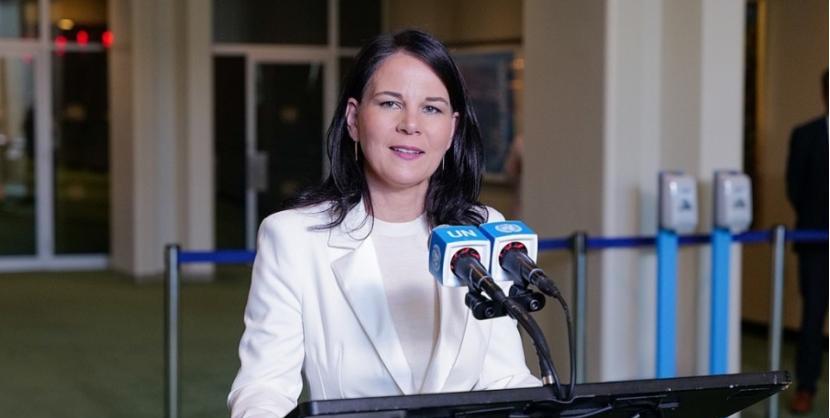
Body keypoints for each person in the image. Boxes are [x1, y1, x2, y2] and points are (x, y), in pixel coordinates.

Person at [228, 30, 540, 418]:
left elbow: (505, 379)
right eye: (391, 103)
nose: (411, 125)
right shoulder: (293, 237)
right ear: (354, 119)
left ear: (452, 129)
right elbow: (264, 387)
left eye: (431, 109)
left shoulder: (485, 230)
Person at [786, 69, 828, 414]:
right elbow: (794, 188)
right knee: (812, 320)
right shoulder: (806, 135)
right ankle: (806, 388)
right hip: (816, 246)